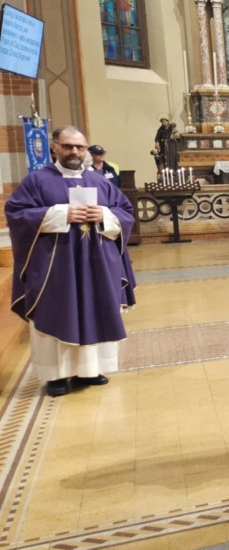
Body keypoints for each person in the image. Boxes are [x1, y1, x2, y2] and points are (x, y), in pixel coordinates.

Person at [6, 126, 137, 397]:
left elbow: (125, 212)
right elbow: (17, 214)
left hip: (96, 265)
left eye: (79, 147)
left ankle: (90, 370)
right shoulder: (37, 181)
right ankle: (54, 375)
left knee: (95, 308)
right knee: (55, 310)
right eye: (67, 146)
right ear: (54, 147)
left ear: (86, 149)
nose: (74, 152)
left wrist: (103, 214)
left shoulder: (100, 182)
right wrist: (59, 214)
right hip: (55, 267)